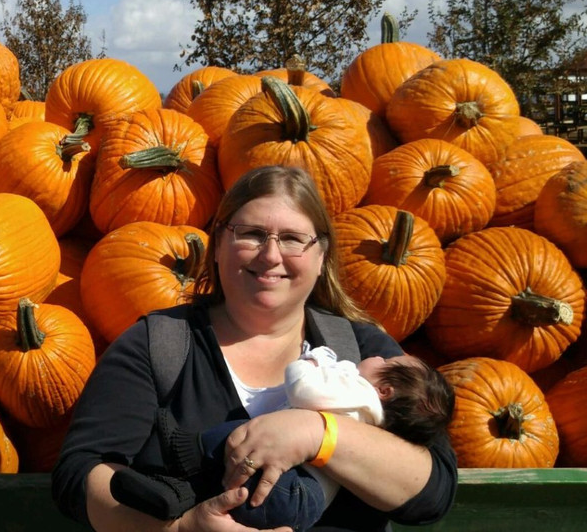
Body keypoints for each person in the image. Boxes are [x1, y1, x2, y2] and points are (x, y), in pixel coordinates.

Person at [52, 165, 458, 532]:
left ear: (321, 257)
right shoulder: (157, 345)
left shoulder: (362, 348)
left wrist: (319, 435)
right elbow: (81, 474)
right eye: (251, 234)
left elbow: (432, 491)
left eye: (294, 239)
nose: (270, 255)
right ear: (218, 246)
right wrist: (179, 531)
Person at [111, 345, 455, 529]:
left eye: (387, 359)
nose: (379, 353)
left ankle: (182, 451)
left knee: (243, 436)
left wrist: (312, 359)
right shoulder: (377, 413)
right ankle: (176, 496)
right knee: (226, 476)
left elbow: (305, 390)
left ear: (384, 390)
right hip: (299, 503)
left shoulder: (358, 395)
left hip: (293, 492)